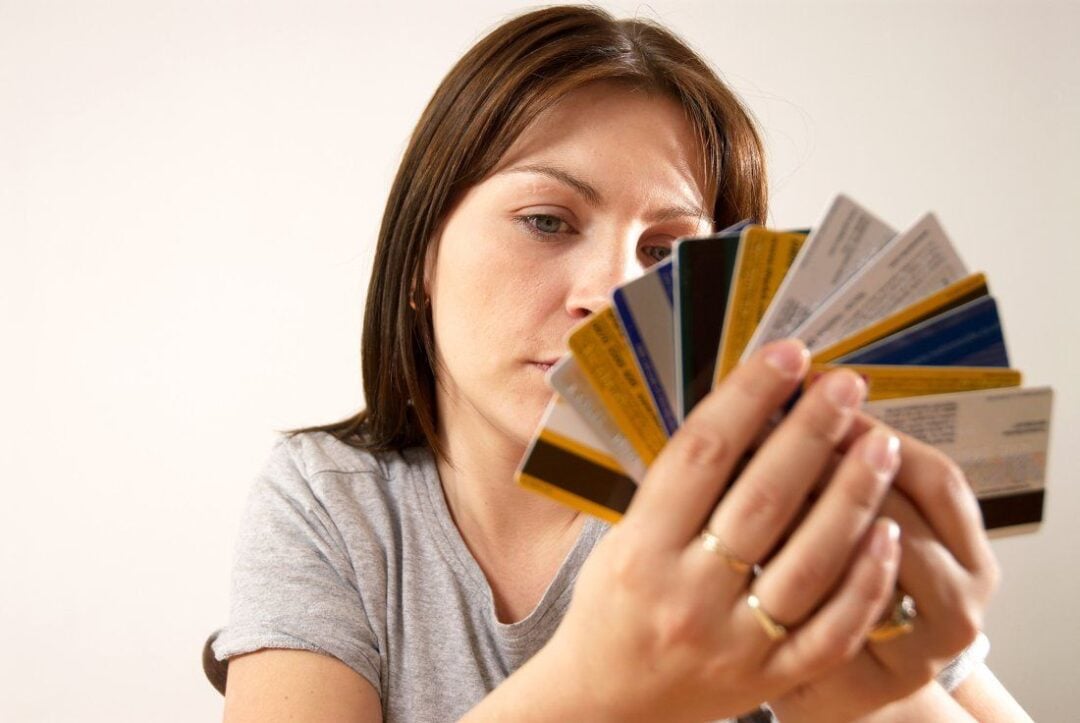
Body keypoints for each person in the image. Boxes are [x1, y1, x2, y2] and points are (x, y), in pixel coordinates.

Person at [203, 6, 1031, 721]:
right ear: (422, 257)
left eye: (666, 248)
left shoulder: (765, 494)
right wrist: (594, 685)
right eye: (547, 220)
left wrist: (868, 692)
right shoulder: (330, 501)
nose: (613, 293)